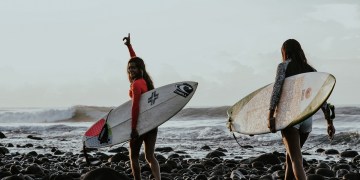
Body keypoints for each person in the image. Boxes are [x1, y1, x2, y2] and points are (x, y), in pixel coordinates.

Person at [267, 39, 336, 180]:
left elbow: (276, 90)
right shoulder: (311, 71)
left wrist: (270, 115)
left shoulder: (283, 66)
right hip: (306, 120)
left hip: (290, 118)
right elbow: (321, 99)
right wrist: (329, 122)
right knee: (290, 158)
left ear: (285, 52)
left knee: (296, 160)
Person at [123, 33, 161, 180]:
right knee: (150, 156)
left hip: (140, 124)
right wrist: (129, 47)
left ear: (140, 69)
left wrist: (133, 128)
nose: (131, 70)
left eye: (133, 68)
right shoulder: (145, 81)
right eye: (129, 68)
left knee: (133, 156)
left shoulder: (136, 85)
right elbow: (136, 60)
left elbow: (135, 107)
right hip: (152, 123)